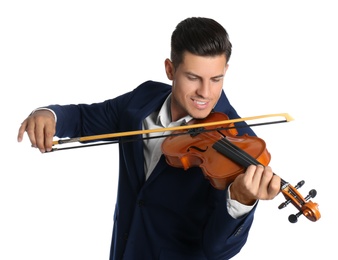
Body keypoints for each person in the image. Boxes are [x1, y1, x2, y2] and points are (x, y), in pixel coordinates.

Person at [17, 17, 280, 260]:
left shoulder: (239, 143)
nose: (205, 92)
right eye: (193, 77)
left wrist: (241, 200)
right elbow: (85, 118)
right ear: (170, 69)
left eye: (216, 79)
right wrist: (49, 115)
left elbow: (217, 250)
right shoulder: (142, 100)